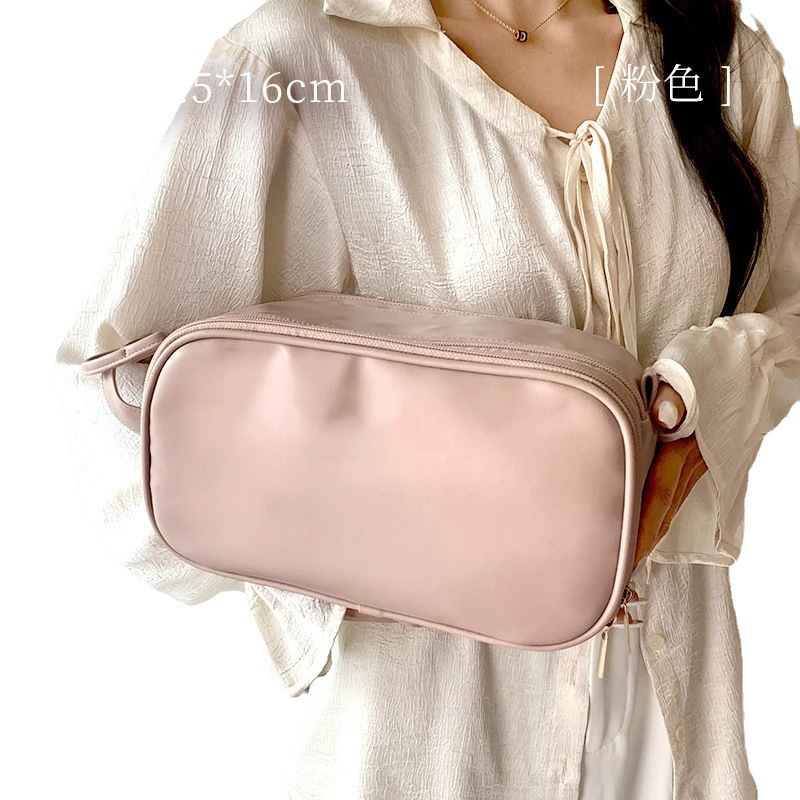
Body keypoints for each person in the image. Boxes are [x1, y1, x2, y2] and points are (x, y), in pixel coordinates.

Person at [53, 0, 800, 797]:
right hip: (421, 727)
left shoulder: (721, 56)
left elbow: (787, 308)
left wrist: (705, 396)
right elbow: (118, 396)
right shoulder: (296, 56)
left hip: (672, 704)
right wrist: (359, 557)